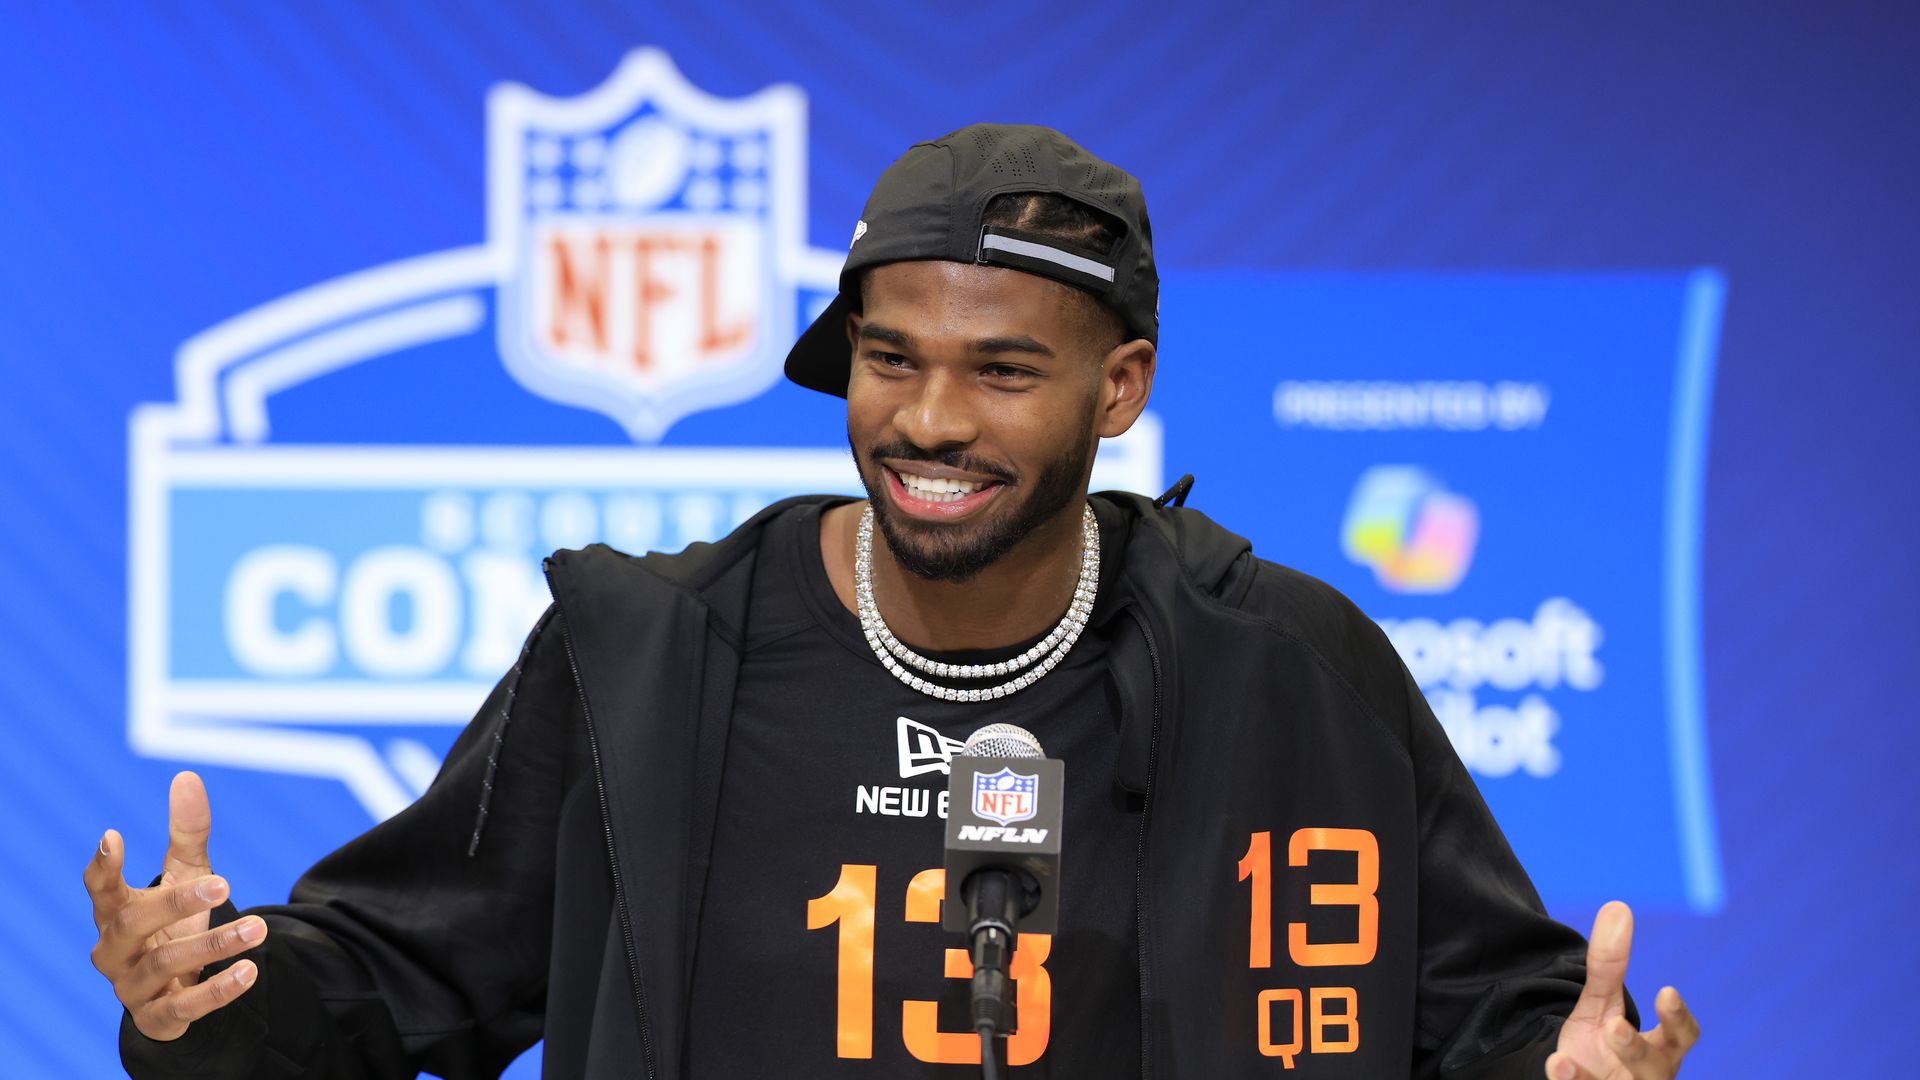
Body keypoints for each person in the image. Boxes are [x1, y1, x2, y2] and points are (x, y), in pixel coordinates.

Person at [85, 124, 1698, 1079]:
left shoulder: (1290, 665)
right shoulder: (644, 661)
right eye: (889, 359)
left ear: (1120, 388)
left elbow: (1493, 1017)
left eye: (1003, 371)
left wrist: (1571, 1064)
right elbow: (387, 986)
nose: (929, 421)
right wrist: (198, 1003)